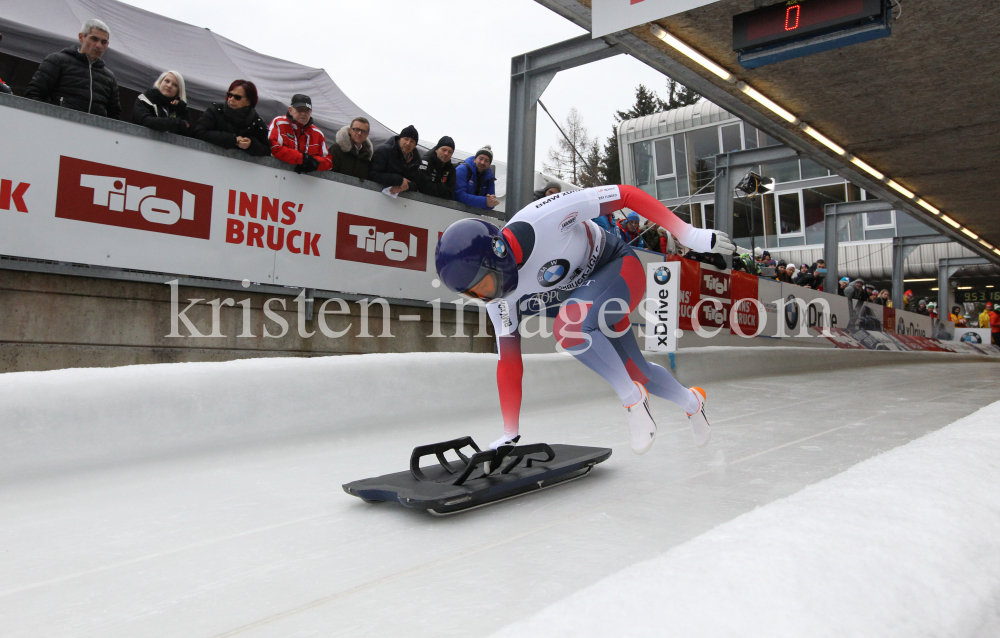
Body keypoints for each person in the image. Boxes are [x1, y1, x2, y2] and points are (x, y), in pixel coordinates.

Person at [435, 185, 735, 454]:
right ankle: (694, 403)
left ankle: (632, 400)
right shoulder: (498, 301)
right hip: (590, 294)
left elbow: (625, 194)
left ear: (497, 256)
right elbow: (509, 363)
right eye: (473, 294)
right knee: (637, 370)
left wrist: (687, 233)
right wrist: (509, 433)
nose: (486, 297)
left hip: (618, 266)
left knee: (569, 327)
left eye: (484, 285)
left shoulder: (545, 218)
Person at [24, 19, 121, 119]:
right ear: (81, 37)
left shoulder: (109, 77)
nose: (99, 45)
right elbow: (34, 94)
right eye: (94, 39)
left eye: (103, 42)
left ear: (107, 45)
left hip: (91, 132)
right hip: (55, 127)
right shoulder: (57, 61)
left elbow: (114, 115)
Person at [193, 80, 269, 156]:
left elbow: (267, 150)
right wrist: (232, 140)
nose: (231, 99)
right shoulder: (215, 112)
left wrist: (251, 145)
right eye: (230, 95)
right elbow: (198, 131)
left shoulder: (257, 123)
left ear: (248, 102)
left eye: (237, 97)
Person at [267, 94, 332, 174]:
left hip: (305, 183)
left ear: (311, 112)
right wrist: (301, 159)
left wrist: (313, 163)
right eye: (299, 109)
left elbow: (328, 162)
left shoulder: (318, 133)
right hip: (276, 176)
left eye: (307, 110)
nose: (303, 113)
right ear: (290, 110)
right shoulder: (279, 123)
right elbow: (273, 148)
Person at [131, 70, 191, 135]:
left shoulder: (181, 109)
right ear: (160, 83)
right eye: (167, 81)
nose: (169, 85)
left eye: (175, 85)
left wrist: (181, 109)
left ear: (178, 91)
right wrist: (175, 123)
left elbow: (188, 132)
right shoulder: (145, 98)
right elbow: (145, 120)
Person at [369, 124, 420, 195]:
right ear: (399, 139)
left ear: (415, 145)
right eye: (406, 139)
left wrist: (406, 186)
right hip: (374, 195)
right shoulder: (384, 151)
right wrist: (399, 180)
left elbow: (417, 184)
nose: (408, 143)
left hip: (400, 202)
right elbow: (373, 174)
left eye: (412, 141)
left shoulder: (416, 161)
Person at [454, 145, 499, 210]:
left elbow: (491, 204)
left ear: (489, 164)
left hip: (473, 216)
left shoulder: (489, 177)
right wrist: (484, 201)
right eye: (480, 159)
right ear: (475, 159)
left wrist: (490, 202)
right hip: (454, 212)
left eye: (486, 161)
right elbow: (459, 195)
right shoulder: (462, 169)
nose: (482, 162)